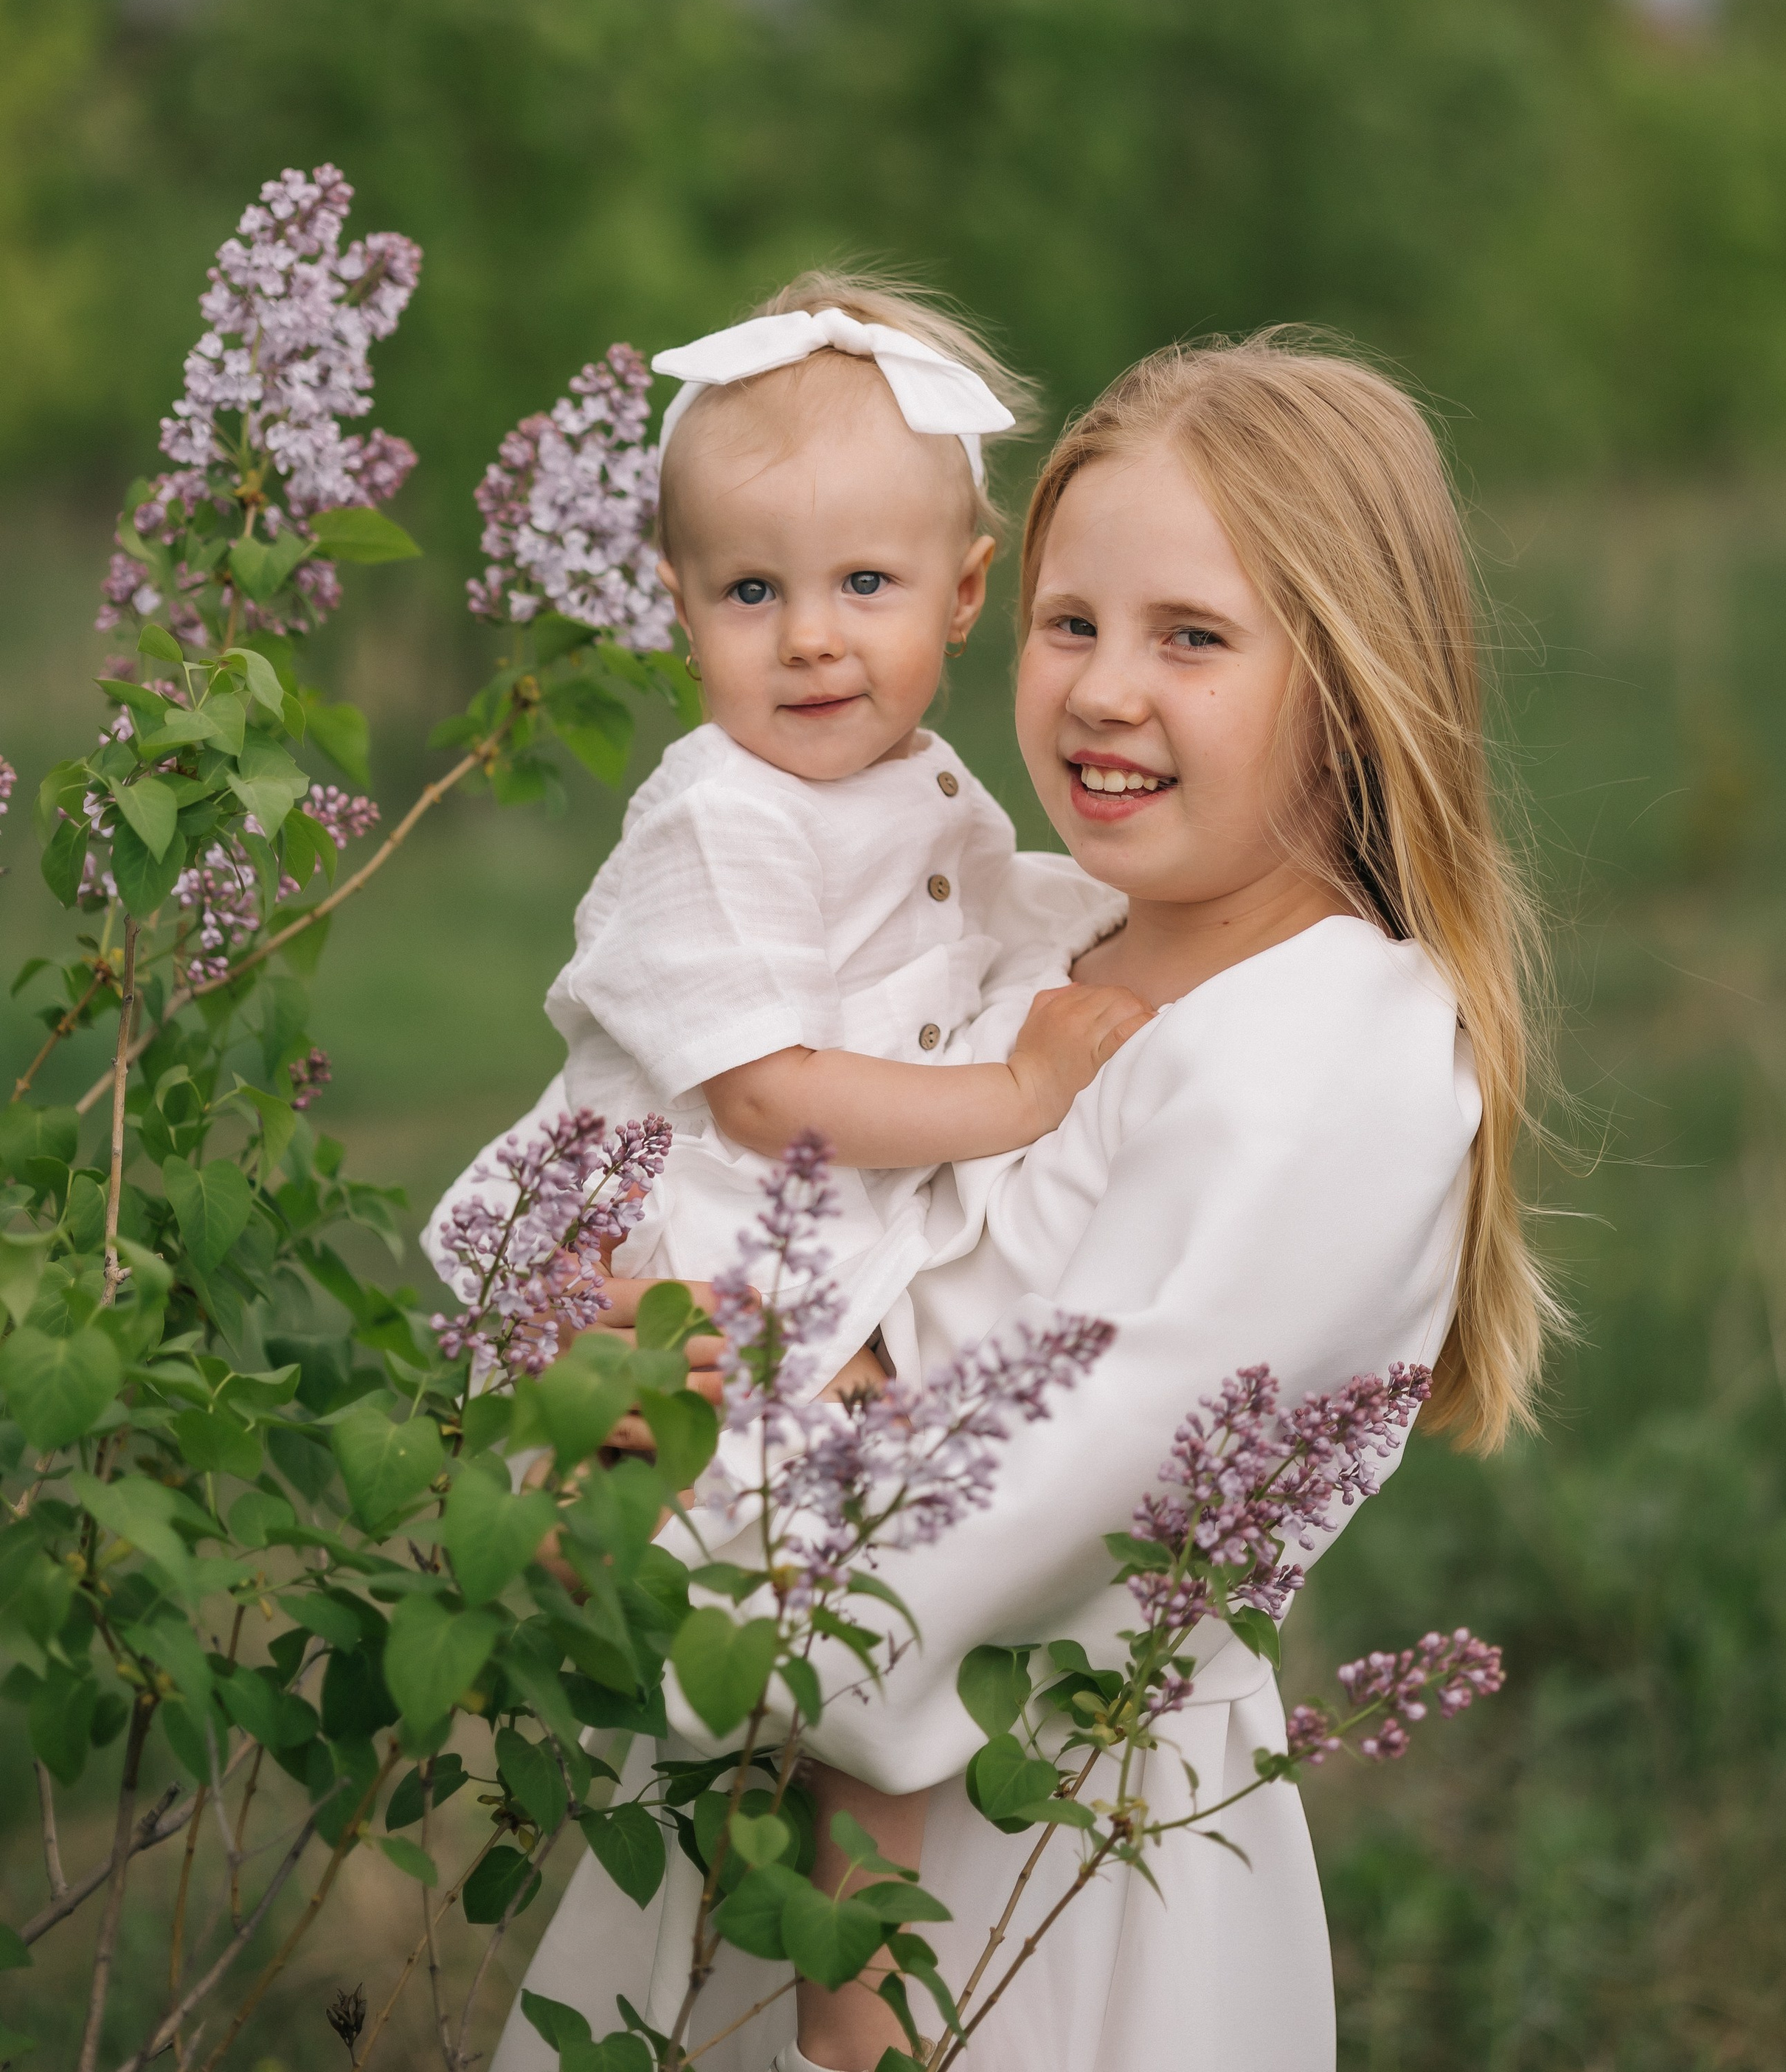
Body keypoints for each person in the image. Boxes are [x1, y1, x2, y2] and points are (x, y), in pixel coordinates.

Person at [494, 330, 1558, 2072]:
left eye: (1191, 639)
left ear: (1354, 683)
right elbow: (745, 1219)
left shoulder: (1329, 1049)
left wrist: (640, 1526)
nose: (1101, 693)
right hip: (765, 1818)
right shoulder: (1012, 942)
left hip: (1049, 1869)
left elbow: (1025, 1506)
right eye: (1071, 624)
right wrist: (604, 1359)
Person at [423, 271, 1149, 1924]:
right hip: (708, 1233)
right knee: (773, 1587)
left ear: (964, 595)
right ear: (678, 603)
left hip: (808, 1253)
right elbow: (766, 1098)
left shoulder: (914, 784)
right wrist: (1023, 1086)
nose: (811, 635)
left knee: (847, 1646)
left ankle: (832, 1984)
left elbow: (970, 926)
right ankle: (808, 1969)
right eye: (751, 589)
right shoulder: (712, 821)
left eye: (864, 583)